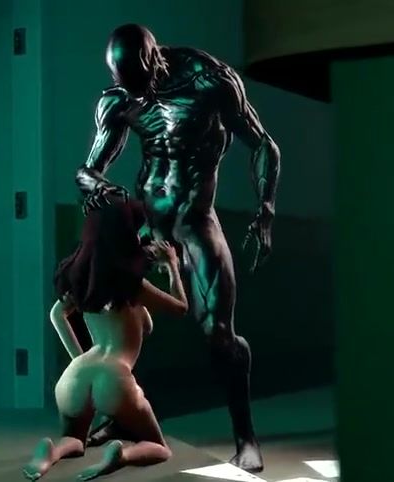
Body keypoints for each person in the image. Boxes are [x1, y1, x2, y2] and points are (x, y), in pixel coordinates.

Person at [74, 23, 281, 472]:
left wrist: (265, 211)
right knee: (109, 316)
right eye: (127, 86)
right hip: (149, 225)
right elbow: (88, 170)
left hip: (195, 221)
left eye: (141, 82)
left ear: (155, 60)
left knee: (218, 334)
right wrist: (97, 187)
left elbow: (264, 146)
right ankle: (118, 415)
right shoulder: (119, 100)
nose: (138, 94)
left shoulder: (209, 81)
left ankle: (246, 438)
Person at [22, 199, 189, 481]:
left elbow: (56, 315)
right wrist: (172, 264)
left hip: (77, 373)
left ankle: (54, 451)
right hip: (114, 376)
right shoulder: (133, 287)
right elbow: (181, 308)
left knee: (74, 439)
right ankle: (122, 455)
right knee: (158, 446)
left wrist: (78, 358)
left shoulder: (82, 281)